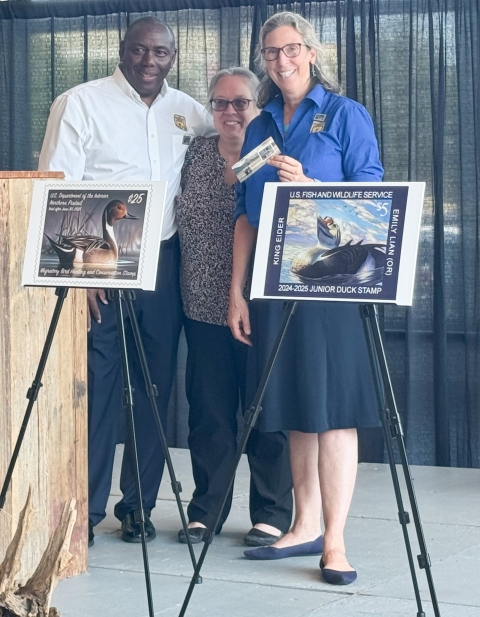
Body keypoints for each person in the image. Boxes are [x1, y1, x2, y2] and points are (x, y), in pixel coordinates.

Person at [38, 16, 214, 546]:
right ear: (122, 50)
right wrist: (81, 273)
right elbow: (56, 185)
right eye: (139, 51)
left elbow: (232, 135)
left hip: (161, 263)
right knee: (95, 389)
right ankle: (85, 513)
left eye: (160, 53)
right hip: (99, 266)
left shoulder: (189, 111)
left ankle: (137, 506)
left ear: (173, 57)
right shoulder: (80, 103)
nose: (148, 62)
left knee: (154, 390)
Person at [228, 12, 383, 584]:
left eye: (291, 49)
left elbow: (373, 195)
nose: (282, 61)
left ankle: (335, 542)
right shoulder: (258, 123)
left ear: (312, 53)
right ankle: (303, 524)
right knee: (295, 405)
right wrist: (236, 292)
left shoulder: (345, 114)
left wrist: (314, 190)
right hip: (272, 282)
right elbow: (245, 216)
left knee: (335, 410)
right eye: (271, 53)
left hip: (333, 284)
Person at [175, 68, 293, 547]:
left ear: (257, 106)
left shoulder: (272, 155)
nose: (229, 112)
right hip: (201, 302)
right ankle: (207, 509)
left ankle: (272, 512)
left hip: (261, 302)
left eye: (240, 103)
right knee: (210, 412)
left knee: (267, 408)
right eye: (220, 103)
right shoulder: (192, 154)